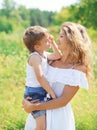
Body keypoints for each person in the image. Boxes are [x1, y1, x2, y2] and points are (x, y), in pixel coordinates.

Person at [22, 22, 93, 130]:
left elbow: (63, 100)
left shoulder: (79, 68)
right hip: (38, 116)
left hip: (59, 118)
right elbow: (35, 81)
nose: (56, 39)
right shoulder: (49, 60)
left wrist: (34, 106)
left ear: (72, 39)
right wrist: (26, 102)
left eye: (61, 36)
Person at [23, 25, 61, 130]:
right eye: (46, 41)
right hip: (35, 93)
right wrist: (52, 93)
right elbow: (40, 77)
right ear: (37, 47)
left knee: (43, 124)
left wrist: (52, 42)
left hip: (40, 91)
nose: (48, 42)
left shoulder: (43, 54)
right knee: (41, 127)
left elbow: (58, 55)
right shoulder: (35, 57)